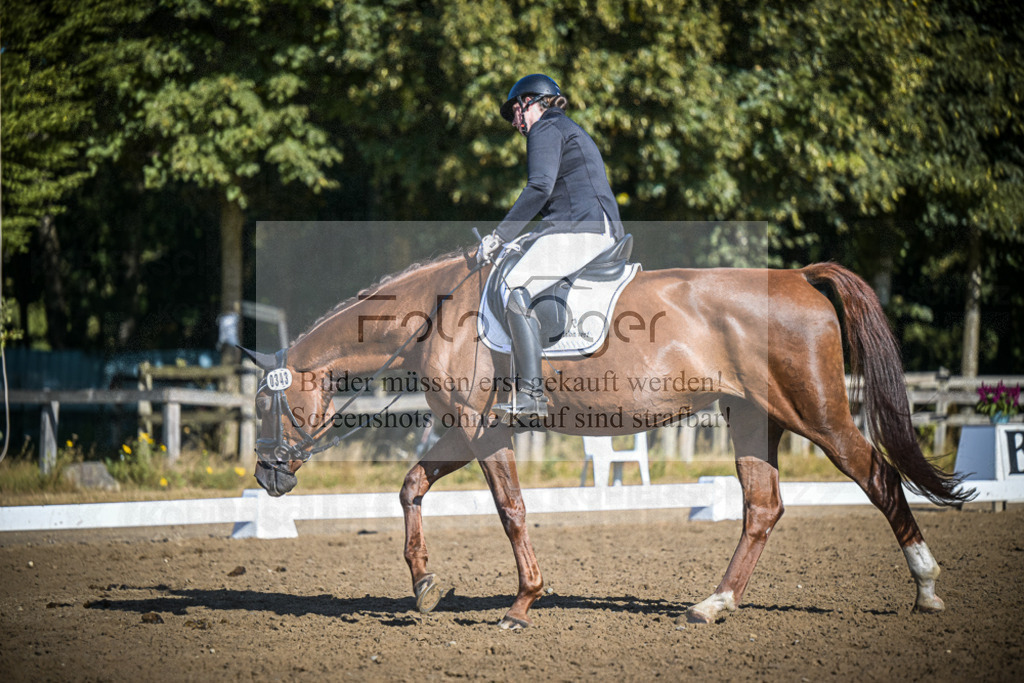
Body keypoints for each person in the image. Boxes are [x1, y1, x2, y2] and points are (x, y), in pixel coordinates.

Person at [481, 73, 625, 420]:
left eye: (516, 110)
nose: (516, 121)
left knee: (511, 287)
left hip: (583, 229)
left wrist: (500, 234)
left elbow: (540, 188)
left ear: (531, 102)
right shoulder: (566, 129)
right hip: (589, 225)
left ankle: (530, 394)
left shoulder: (545, 128)